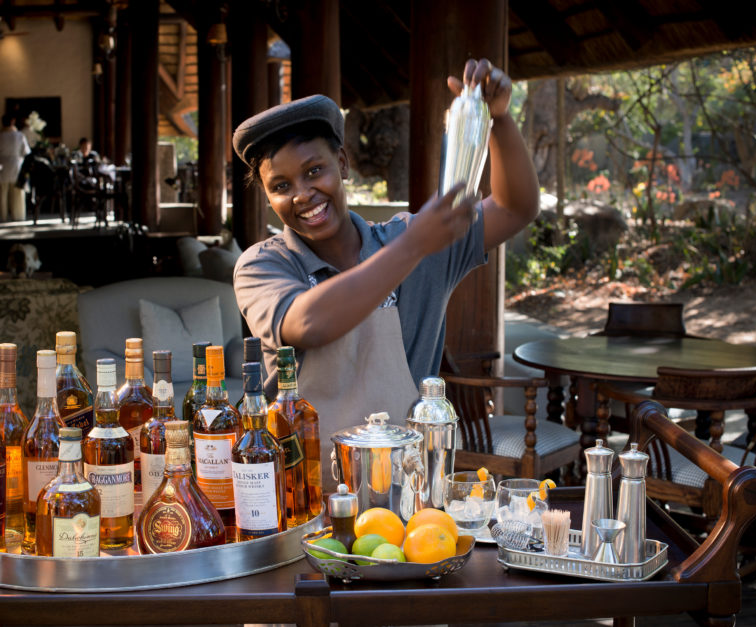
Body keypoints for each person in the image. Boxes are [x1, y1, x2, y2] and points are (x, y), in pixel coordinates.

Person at [231, 59, 540, 486]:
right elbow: (309, 322)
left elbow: (514, 207)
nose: (302, 195)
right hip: (299, 491)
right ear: (267, 197)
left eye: (313, 171)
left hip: (406, 489)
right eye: (280, 186)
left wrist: (500, 119)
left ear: (342, 163)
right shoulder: (264, 265)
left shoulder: (414, 239)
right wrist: (414, 245)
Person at [0, 114, 31, 222]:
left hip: (1, 167)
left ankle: (2, 217)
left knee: (2, 193)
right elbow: (26, 152)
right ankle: (18, 216)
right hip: (16, 166)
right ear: (12, 121)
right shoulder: (19, 135)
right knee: (17, 193)